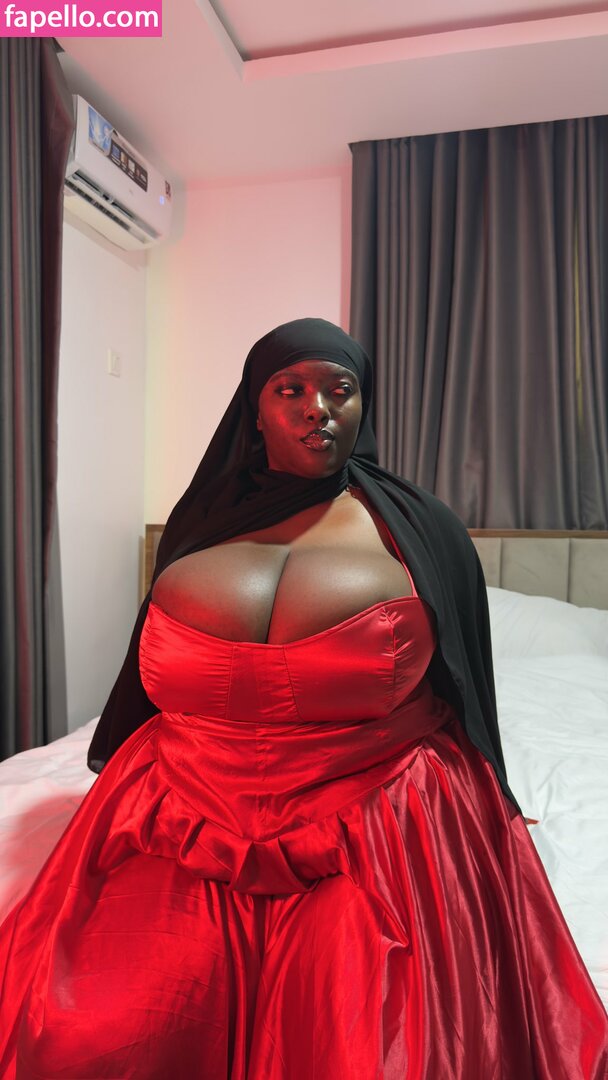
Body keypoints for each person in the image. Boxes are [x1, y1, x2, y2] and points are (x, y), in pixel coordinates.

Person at [0, 318, 606, 1079]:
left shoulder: (423, 530)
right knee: (93, 1031)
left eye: (338, 390)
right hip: (183, 805)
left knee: (363, 1037)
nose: (317, 408)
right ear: (255, 410)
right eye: (291, 390)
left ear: (363, 405)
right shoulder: (200, 523)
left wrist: (483, 810)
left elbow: (464, 680)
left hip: (368, 811)